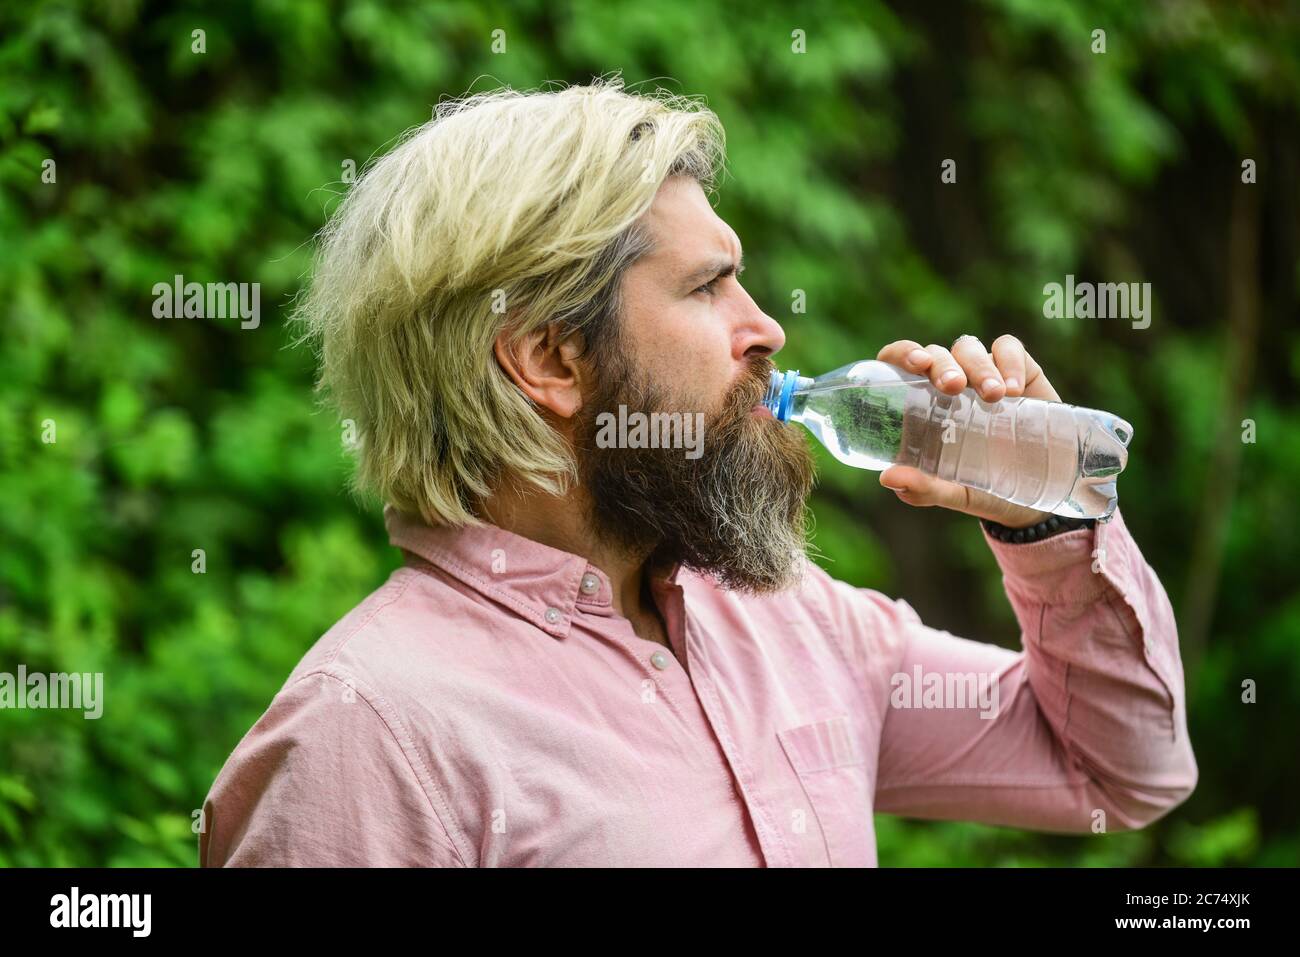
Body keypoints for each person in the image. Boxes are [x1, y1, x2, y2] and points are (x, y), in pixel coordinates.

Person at [200, 79, 1196, 867]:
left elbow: (1117, 772)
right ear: (551, 359)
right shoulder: (369, 739)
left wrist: (1043, 521)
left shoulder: (790, 625)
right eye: (708, 286)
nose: (764, 328)